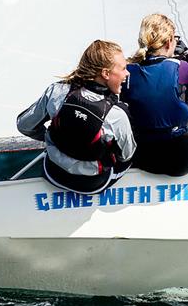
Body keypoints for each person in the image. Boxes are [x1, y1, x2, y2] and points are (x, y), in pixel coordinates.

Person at [17, 40, 135, 194]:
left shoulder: (57, 91)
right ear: (106, 73)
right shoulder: (117, 114)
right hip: (91, 184)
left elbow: (24, 125)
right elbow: (126, 156)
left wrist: (48, 136)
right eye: (124, 68)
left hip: (53, 173)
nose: (127, 73)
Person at [121, 13, 188, 176]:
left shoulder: (128, 71)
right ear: (169, 42)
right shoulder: (181, 67)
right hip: (182, 158)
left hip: (143, 157)